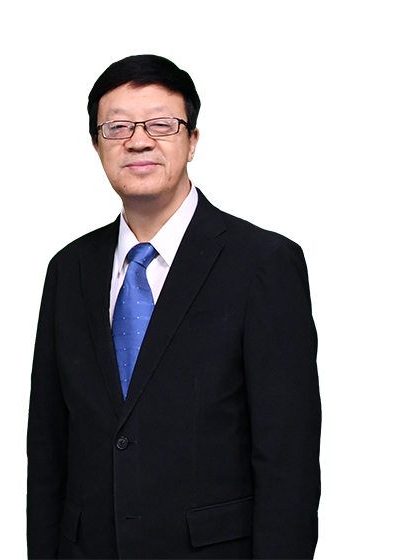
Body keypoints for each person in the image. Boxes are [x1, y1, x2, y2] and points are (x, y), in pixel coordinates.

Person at [27, 54, 321, 560]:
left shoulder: (262, 263)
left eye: (161, 124)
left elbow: (287, 453)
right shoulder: (68, 269)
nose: (138, 141)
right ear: (97, 145)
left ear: (193, 140)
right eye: (117, 127)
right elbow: (48, 444)